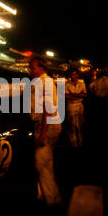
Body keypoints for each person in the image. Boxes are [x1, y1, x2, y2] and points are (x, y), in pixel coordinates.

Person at [28, 56, 62, 206]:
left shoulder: (45, 83)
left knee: (41, 163)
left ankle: (52, 200)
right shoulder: (40, 82)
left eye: (33, 67)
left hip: (46, 125)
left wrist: (42, 133)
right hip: (47, 124)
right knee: (46, 161)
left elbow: (48, 108)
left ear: (41, 68)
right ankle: (43, 194)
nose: (30, 70)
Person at [65, 68, 87, 147]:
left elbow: (84, 95)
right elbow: (67, 96)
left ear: (77, 75)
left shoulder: (82, 84)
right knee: (72, 125)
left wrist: (73, 94)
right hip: (70, 105)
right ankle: (74, 143)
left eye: (75, 74)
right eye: (72, 74)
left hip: (80, 105)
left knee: (80, 124)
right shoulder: (66, 84)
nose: (73, 76)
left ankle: (80, 142)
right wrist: (79, 95)